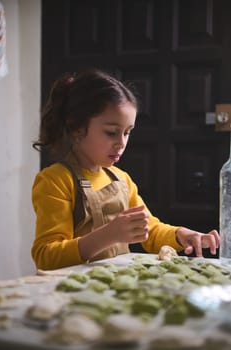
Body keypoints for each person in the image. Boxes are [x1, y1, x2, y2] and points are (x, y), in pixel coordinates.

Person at [31, 68, 220, 270]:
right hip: (71, 290)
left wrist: (181, 234)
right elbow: (46, 256)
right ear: (77, 128)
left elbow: (150, 231)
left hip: (114, 287)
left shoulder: (121, 180)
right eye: (111, 132)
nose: (121, 143)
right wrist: (108, 235)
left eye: (127, 132)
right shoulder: (55, 181)